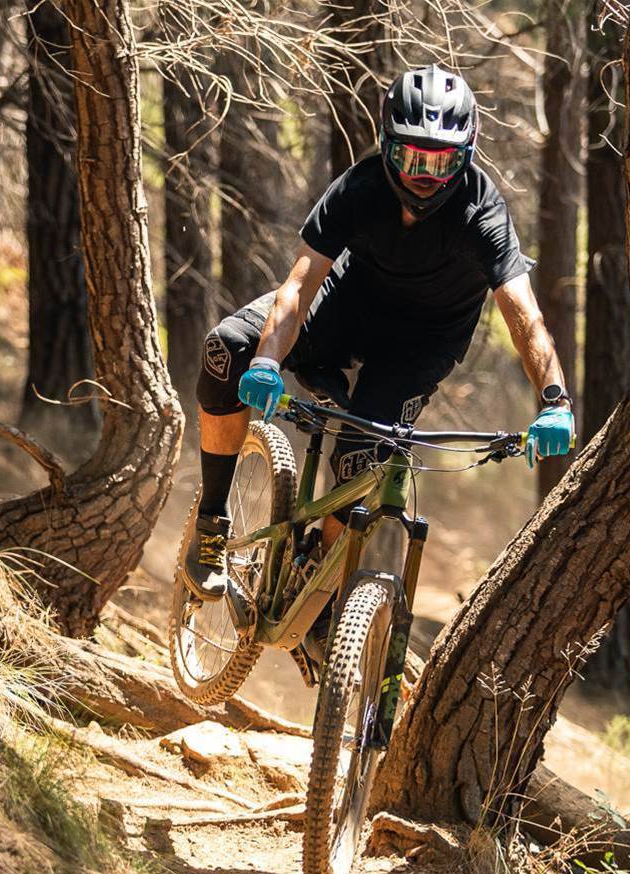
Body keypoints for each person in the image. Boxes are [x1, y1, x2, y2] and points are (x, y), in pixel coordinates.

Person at [183, 62, 575, 600]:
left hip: (423, 343)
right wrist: (268, 360)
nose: (425, 177)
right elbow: (298, 287)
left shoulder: (482, 212)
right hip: (349, 305)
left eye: (442, 162)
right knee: (227, 349)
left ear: (467, 155)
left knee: (360, 457)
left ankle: (314, 585)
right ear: (388, 147)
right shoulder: (359, 188)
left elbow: (524, 314)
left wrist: (554, 400)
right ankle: (210, 524)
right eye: (413, 158)